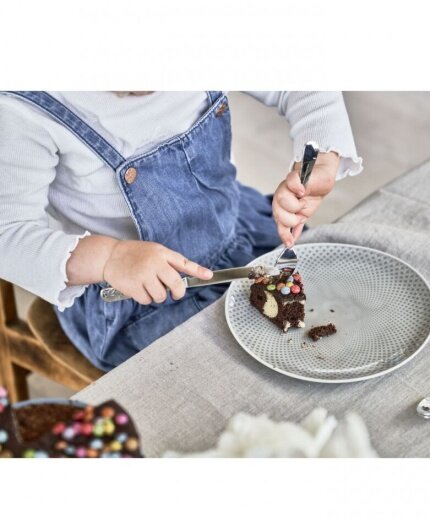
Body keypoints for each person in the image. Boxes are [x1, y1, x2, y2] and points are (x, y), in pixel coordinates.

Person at [0, 91, 362, 370]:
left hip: (238, 233)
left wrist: (321, 157)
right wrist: (109, 258)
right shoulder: (23, 107)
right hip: (138, 298)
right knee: (240, 375)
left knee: (339, 312)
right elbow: (8, 236)